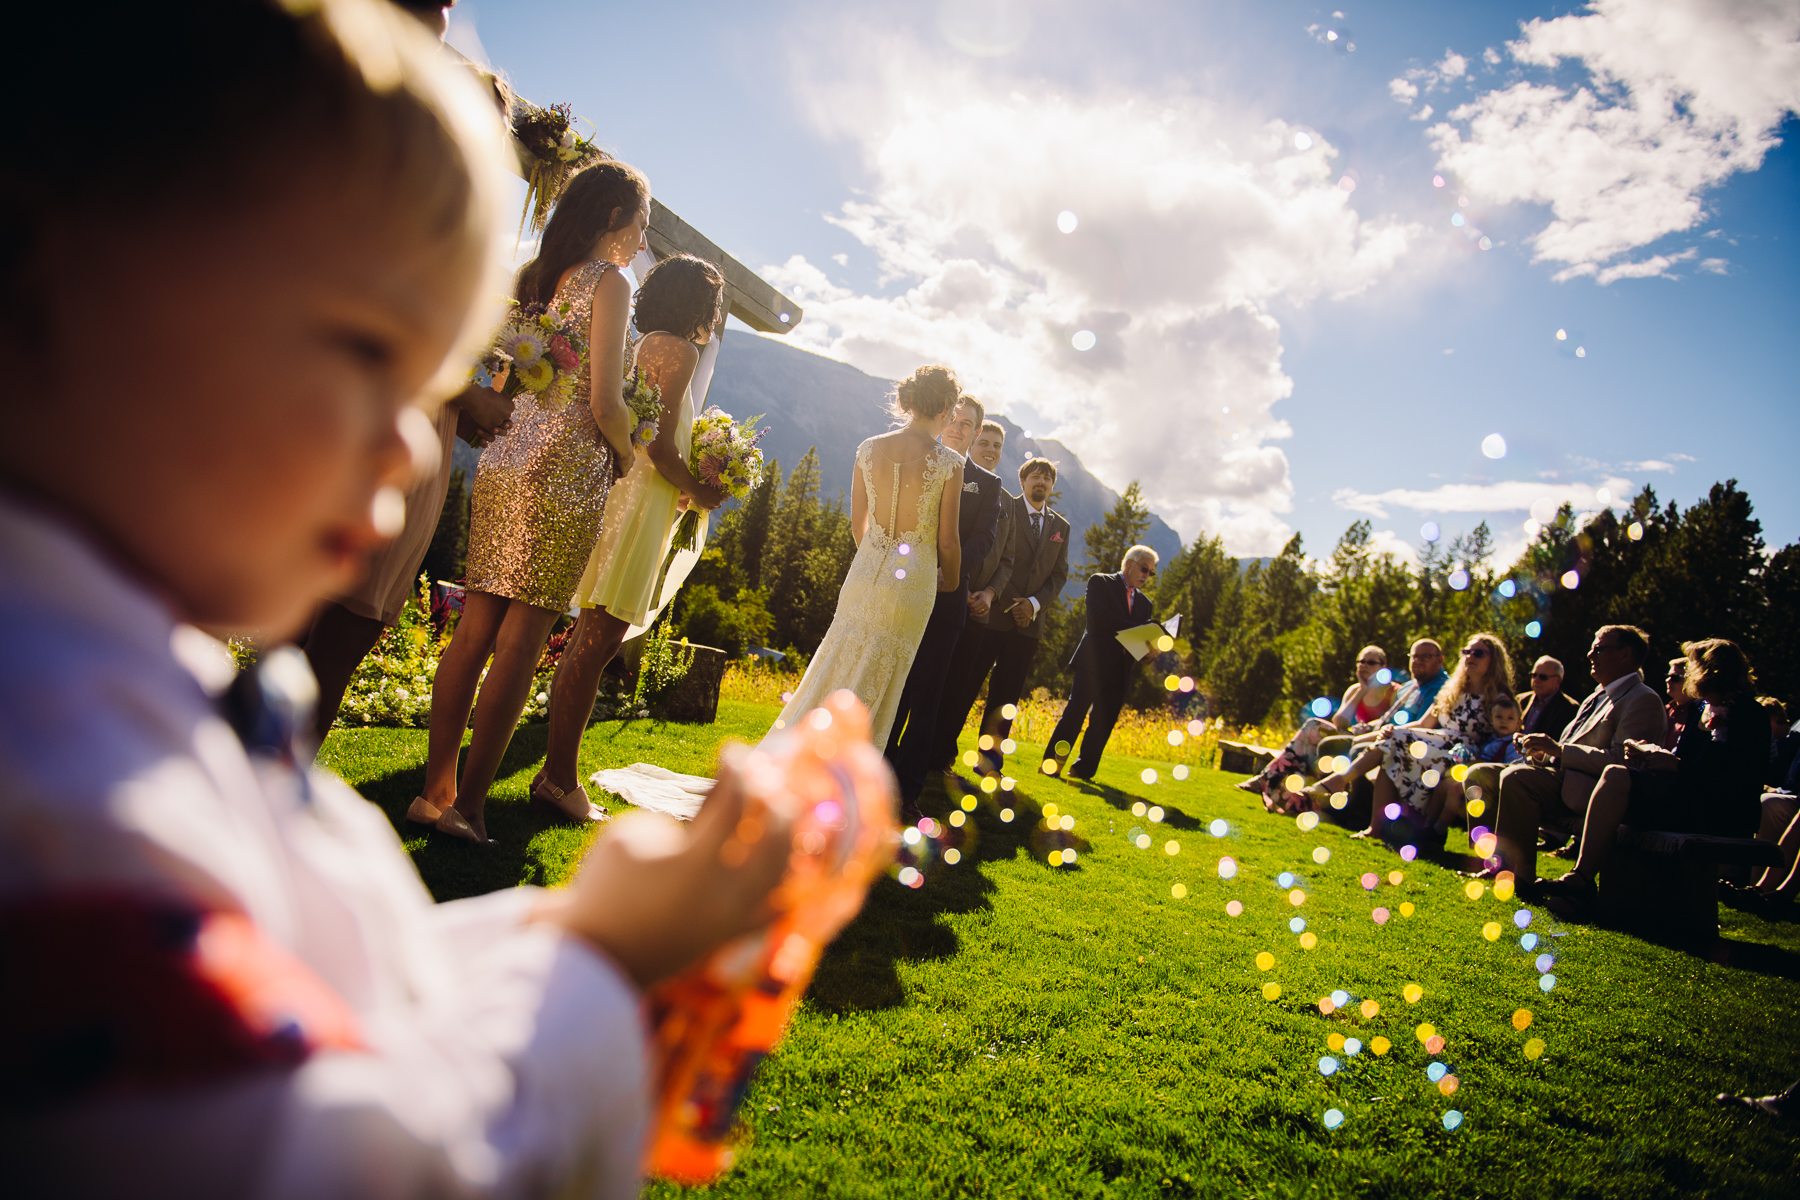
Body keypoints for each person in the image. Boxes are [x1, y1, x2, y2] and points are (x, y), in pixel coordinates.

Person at [0, 3, 790, 1195]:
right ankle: (456, 789)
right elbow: (349, 1163)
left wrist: (539, 934)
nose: (412, 449)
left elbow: (318, 974)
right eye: (370, 354)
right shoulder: (54, 803)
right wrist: (601, 958)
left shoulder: (132, 683)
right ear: (61, 273)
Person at [292, 0, 517, 746]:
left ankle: (285, 784)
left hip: (422, 442)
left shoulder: (465, 228)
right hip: (372, 420)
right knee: (306, 624)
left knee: (351, 633)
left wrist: (484, 398)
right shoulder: (392, 185)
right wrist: (466, 393)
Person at [412, 161, 647, 844]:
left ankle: (435, 794)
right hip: (566, 467)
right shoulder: (610, 282)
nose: (641, 235)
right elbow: (604, 403)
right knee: (523, 640)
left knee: (475, 627)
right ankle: (472, 808)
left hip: (507, 457)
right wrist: (627, 454)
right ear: (612, 218)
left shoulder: (533, 279)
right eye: (641, 220)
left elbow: (509, 378)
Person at [532, 255, 728, 820]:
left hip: (628, 493)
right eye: (713, 306)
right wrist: (700, 489)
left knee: (589, 639)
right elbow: (663, 448)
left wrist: (685, 489)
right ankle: (560, 781)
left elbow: (645, 436)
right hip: (641, 505)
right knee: (597, 644)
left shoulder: (645, 343)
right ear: (697, 303)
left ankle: (555, 774)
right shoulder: (682, 351)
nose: (714, 318)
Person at [770, 367, 964, 745]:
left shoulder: (869, 447)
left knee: (836, 661)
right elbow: (948, 543)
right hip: (913, 585)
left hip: (864, 573)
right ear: (945, 407)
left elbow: (858, 524)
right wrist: (952, 581)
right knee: (883, 674)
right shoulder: (949, 464)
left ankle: (800, 749)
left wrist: (876, 559)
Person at [1541, 639, 1768, 918]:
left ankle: (1587, 886)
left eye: (1693, 666)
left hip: (1719, 811)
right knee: (1616, 774)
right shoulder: (1701, 708)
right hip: (1684, 799)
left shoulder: (1751, 715)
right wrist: (1651, 755)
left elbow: (1740, 782)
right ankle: (1583, 879)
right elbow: (1684, 761)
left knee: (1616, 781)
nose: (1687, 674)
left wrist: (1676, 765)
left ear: (1710, 670)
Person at [883, 395, 1002, 822]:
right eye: (955, 419)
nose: (959, 427)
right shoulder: (914, 461)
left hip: (946, 598)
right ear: (943, 419)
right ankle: (874, 778)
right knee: (889, 688)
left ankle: (906, 792)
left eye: (969, 424)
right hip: (898, 593)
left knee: (926, 699)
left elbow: (982, 540)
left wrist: (944, 569)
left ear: (974, 433)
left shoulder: (987, 486)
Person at [1486, 624, 1667, 886]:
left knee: (1516, 777)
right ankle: (1498, 866)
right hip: (1564, 779)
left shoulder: (1642, 700)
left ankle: (1520, 877)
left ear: (1625, 654)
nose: (1590, 655)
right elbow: (1567, 749)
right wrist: (1541, 753)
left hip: (1591, 791)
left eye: (1599, 649)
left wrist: (1558, 750)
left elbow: (1623, 762)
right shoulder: (1598, 695)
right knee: (1485, 773)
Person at [933, 454, 1070, 778]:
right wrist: (1007, 600)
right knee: (965, 686)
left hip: (1028, 626)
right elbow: (999, 556)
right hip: (992, 614)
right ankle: (943, 753)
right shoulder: (1005, 506)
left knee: (1006, 697)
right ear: (1022, 481)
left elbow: (1059, 575)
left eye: (1046, 478)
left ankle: (989, 762)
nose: (1041, 482)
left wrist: (1033, 605)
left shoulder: (1060, 527)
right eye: (1034, 476)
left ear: (1052, 486)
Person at [1353, 633, 1514, 846]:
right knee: (1392, 746)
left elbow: (1503, 738)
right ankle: (1375, 827)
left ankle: (1338, 782)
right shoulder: (1452, 691)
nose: (1470, 657)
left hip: (1465, 754)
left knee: (1396, 743)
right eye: (1466, 652)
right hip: (1437, 743)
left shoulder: (1499, 699)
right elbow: (1423, 725)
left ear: (1493, 660)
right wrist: (1385, 732)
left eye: (1478, 653)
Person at [1043, 545, 1159, 782]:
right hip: (1093, 663)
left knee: (1103, 724)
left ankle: (1083, 771)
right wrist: (1139, 631)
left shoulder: (1146, 604)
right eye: (1144, 569)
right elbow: (1099, 618)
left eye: (1152, 572)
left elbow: (1137, 638)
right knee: (1074, 715)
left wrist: (1149, 652)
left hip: (1122, 670)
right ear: (1129, 562)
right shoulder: (1101, 582)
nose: (1147, 576)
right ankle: (1051, 766)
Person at [1237, 644, 1396, 812]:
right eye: (1361, 661)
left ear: (1383, 667)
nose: (1364, 666)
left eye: (1370, 662)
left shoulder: (1393, 692)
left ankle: (1269, 780)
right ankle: (1273, 781)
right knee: (1313, 726)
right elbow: (1340, 722)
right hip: (1346, 735)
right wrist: (1362, 690)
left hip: (1369, 742)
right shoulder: (1355, 690)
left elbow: (1391, 726)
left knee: (1314, 731)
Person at [1302, 639, 1451, 813]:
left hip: (1408, 742)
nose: (1418, 661)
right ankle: (1327, 802)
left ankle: (1355, 811)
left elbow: (1423, 726)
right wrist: (1369, 727)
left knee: (1351, 747)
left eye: (1425, 657)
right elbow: (1387, 720)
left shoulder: (1440, 688)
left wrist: (1367, 734)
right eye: (1415, 656)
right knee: (1330, 743)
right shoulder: (1410, 686)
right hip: (1384, 734)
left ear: (1440, 660)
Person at [1519, 655, 1578, 736]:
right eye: (1534, 675)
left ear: (1558, 681)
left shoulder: (1569, 709)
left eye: (1543, 677)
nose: (1536, 680)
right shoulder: (1520, 700)